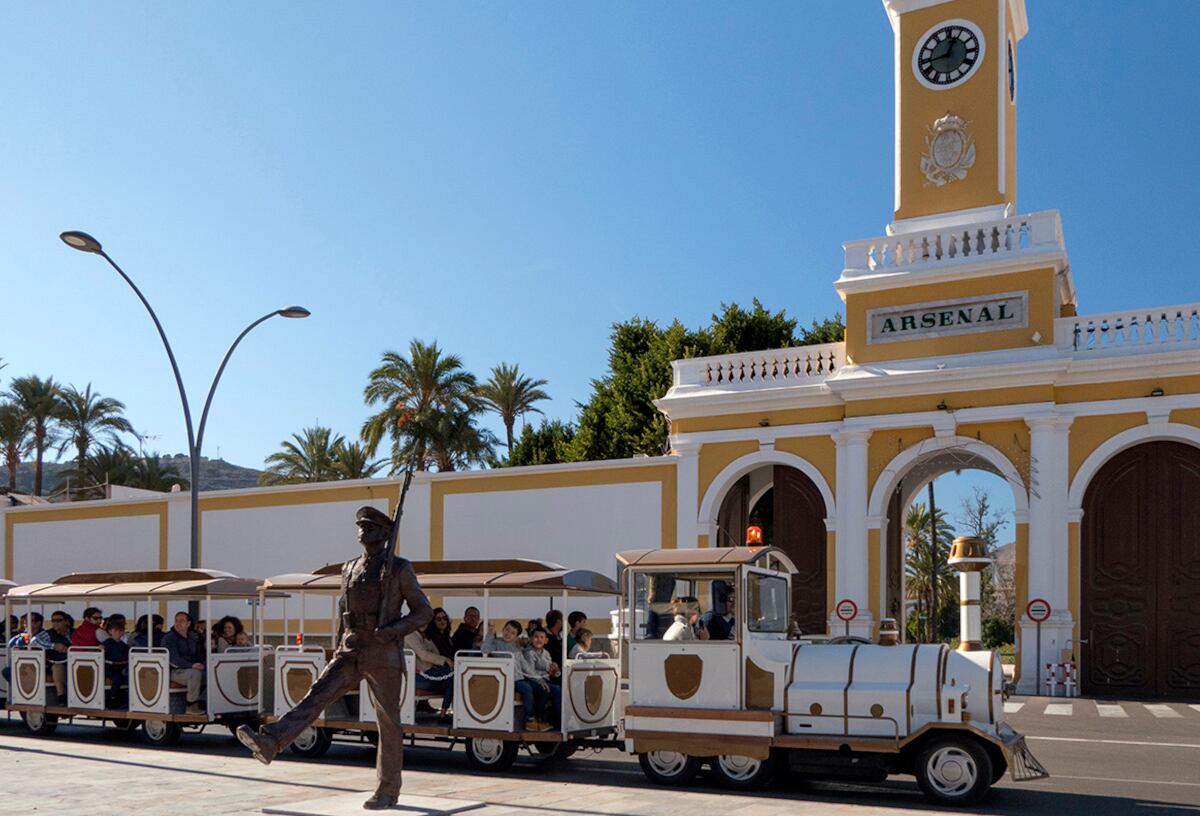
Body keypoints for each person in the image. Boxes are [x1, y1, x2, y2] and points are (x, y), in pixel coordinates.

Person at [237, 504, 432, 811]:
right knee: (316, 695)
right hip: (351, 648)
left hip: (383, 652)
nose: (362, 530)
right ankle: (272, 741)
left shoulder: (399, 568)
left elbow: (423, 612)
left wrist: (392, 630)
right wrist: (338, 645)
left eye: (369, 526)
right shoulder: (349, 567)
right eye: (360, 526)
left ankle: (388, 789)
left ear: (384, 533)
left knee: (388, 724)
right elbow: (344, 611)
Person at [405, 609, 454, 721]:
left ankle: (443, 714)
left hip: (428, 674)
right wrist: (445, 660)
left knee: (452, 678)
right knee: (451, 673)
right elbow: (423, 655)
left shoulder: (425, 636)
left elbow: (435, 652)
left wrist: (445, 661)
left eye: (425, 621)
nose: (423, 623)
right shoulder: (410, 635)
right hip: (416, 677)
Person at [163, 611, 206, 714]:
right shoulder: (169, 638)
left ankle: (204, 702)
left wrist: (203, 663)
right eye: (176, 621)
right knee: (194, 674)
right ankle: (191, 705)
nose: (178, 623)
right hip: (175, 671)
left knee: (212, 674)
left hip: (190, 668)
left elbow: (197, 655)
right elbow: (173, 659)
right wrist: (192, 665)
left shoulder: (191, 638)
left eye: (182, 621)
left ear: (188, 623)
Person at [520, 627, 562, 730]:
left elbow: (550, 671)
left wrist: (556, 671)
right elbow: (530, 672)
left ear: (546, 640)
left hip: (544, 680)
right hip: (531, 681)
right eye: (536, 637)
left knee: (558, 690)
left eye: (541, 637)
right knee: (545, 690)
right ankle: (538, 716)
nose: (539, 640)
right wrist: (540, 681)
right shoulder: (529, 653)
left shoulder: (546, 653)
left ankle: (558, 720)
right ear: (531, 638)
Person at [34, 611, 73, 697]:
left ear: (66, 621)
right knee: (57, 668)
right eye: (53, 621)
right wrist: (53, 646)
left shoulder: (74, 633)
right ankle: (61, 695)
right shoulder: (49, 634)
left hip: (74, 660)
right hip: (56, 661)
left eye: (59, 620)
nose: (56, 623)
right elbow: (35, 641)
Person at [102, 615, 130, 704]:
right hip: (110, 668)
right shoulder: (107, 643)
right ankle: (112, 698)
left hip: (122, 668)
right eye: (115, 630)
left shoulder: (124, 646)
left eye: (120, 630)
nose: (118, 632)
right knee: (116, 680)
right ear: (110, 631)